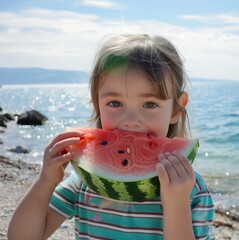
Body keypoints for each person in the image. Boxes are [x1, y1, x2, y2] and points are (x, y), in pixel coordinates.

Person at [8, 34, 214, 240]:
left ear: (177, 109)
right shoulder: (83, 182)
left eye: (150, 104)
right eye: (115, 103)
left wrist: (177, 206)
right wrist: (45, 181)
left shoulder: (190, 189)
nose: (131, 120)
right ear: (97, 104)